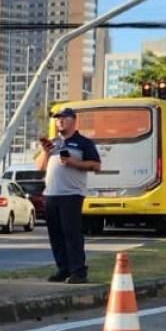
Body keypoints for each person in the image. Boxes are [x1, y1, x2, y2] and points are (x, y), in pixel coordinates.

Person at [35, 109, 101, 284]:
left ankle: (78, 271)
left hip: (71, 194)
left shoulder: (83, 143)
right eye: (57, 118)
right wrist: (45, 152)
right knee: (55, 235)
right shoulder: (53, 143)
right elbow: (40, 167)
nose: (60, 121)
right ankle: (62, 269)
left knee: (71, 234)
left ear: (73, 121)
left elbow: (96, 165)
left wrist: (74, 163)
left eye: (64, 118)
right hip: (51, 194)